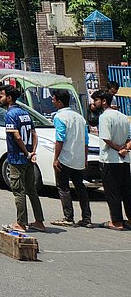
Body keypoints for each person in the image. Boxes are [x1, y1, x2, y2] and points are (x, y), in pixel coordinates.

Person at [0, 83, 46, 233]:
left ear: (9, 97)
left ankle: (21, 223)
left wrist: (25, 152)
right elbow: (34, 133)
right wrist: (32, 152)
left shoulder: (10, 114)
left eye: (1, 96)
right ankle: (39, 221)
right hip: (28, 158)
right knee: (31, 190)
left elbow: (17, 136)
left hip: (16, 158)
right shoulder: (24, 113)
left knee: (19, 191)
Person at [48, 88, 91, 228]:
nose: (52, 101)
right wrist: (85, 158)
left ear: (59, 102)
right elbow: (86, 140)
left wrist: (56, 158)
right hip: (78, 158)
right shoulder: (79, 117)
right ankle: (86, 217)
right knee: (80, 187)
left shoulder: (59, 117)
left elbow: (60, 139)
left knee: (63, 187)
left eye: (54, 99)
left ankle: (68, 217)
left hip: (65, 157)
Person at [92, 89, 131, 229]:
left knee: (112, 192)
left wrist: (118, 149)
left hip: (110, 160)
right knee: (126, 192)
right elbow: (129, 138)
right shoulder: (123, 116)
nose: (93, 103)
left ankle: (116, 221)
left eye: (95, 100)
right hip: (125, 160)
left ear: (103, 101)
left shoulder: (105, 117)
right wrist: (125, 149)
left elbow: (106, 138)